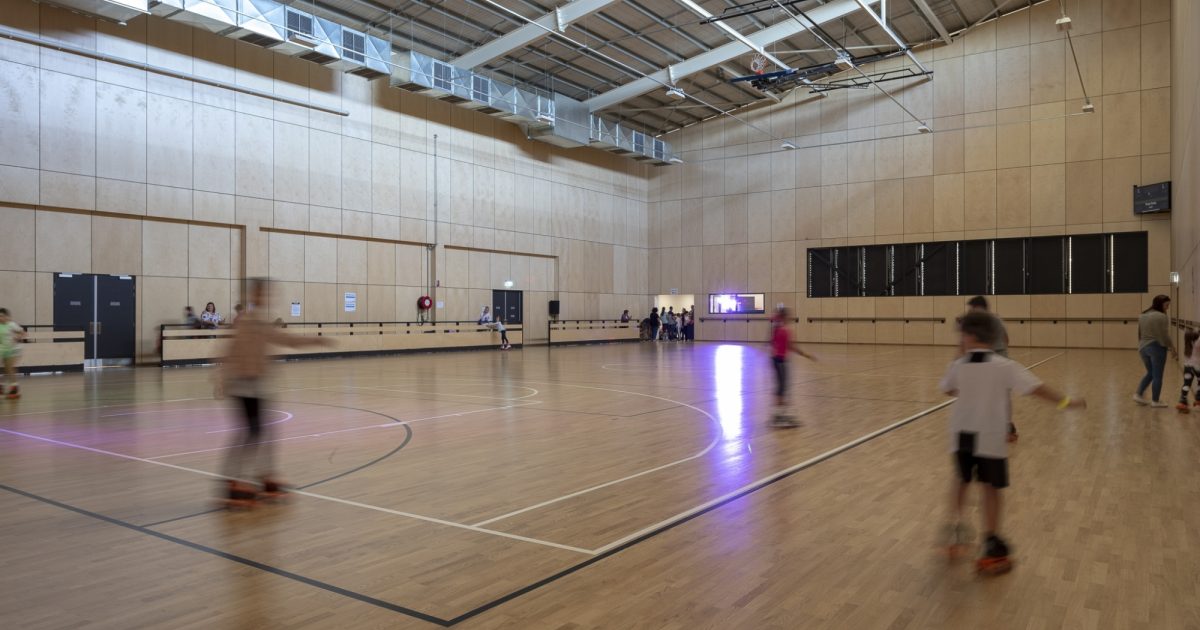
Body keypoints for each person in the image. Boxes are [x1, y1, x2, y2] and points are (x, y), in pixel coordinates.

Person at [940, 312, 1086, 574]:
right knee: (990, 489)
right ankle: (991, 541)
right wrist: (1067, 402)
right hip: (989, 438)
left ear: (969, 336)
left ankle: (957, 529)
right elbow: (1037, 389)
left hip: (961, 436)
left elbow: (948, 389)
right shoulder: (1004, 366)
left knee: (961, 480)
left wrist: (962, 360)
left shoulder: (959, 364)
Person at [217, 279, 330, 507]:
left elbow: (286, 340)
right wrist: (222, 378)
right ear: (252, 295)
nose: (263, 297)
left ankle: (264, 474)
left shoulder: (258, 321)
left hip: (257, 384)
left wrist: (314, 340)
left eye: (265, 294)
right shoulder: (247, 321)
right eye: (259, 293)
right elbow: (231, 350)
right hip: (243, 384)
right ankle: (232, 481)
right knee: (252, 432)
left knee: (265, 431)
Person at [961, 296, 1017, 442]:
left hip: (989, 359)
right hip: (1001, 356)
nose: (971, 310)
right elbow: (1006, 339)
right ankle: (1006, 427)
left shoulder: (980, 323)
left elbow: (972, 343)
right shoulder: (997, 319)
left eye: (972, 308)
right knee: (1003, 395)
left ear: (979, 307)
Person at [769, 307, 816, 427]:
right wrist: (806, 355)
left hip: (776, 359)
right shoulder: (784, 330)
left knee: (781, 387)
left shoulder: (777, 329)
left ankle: (779, 414)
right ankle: (779, 416)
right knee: (782, 388)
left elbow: (774, 343)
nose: (790, 318)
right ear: (784, 317)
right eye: (788, 316)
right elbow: (791, 346)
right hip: (780, 361)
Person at [1134, 294, 1176, 407]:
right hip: (1156, 348)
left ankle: (1138, 394)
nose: (1167, 308)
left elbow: (1139, 333)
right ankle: (1155, 401)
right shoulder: (1162, 316)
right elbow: (1164, 336)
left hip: (1143, 348)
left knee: (1151, 373)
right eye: (1166, 305)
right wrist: (1172, 348)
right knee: (1157, 375)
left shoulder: (1143, 315)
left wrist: (1141, 345)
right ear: (1160, 304)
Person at [0, 309, 25, 400]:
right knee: (4, 369)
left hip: (13, 349)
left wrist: (17, 337)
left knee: (10, 369)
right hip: (3, 349)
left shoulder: (11, 325)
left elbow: (22, 333)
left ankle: (14, 387)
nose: (0, 318)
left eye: (2, 316)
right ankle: (1, 387)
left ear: (7, 316)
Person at [1177, 331, 1200, 413]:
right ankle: (1198, 398)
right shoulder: (1197, 343)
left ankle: (1182, 401)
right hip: (1197, 367)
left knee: (1186, 384)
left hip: (1187, 367)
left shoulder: (1187, 345)